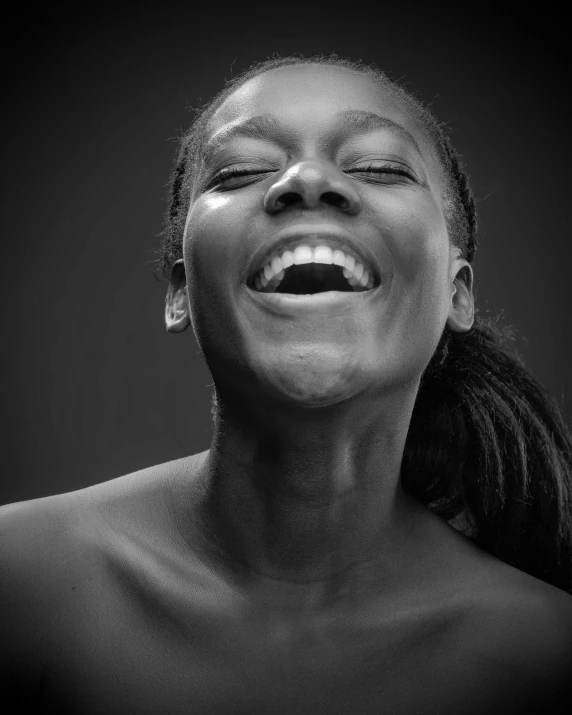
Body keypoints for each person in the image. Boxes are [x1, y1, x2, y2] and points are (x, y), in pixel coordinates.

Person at [1, 54, 571, 715]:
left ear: (456, 293)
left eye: (379, 167)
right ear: (182, 290)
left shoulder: (544, 652)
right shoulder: (20, 586)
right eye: (242, 170)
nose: (306, 181)